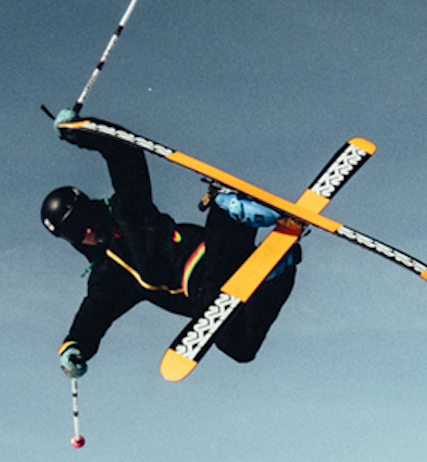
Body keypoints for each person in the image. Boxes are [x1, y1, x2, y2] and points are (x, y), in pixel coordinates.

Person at [41, 118, 300, 377]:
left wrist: (84, 131)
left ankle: (227, 209)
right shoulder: (106, 279)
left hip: (203, 259)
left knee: (218, 274)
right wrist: (76, 347)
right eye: (75, 232)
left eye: (84, 219)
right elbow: (93, 316)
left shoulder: (127, 212)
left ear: (91, 207)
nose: (87, 230)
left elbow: (124, 155)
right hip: (202, 298)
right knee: (241, 347)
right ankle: (277, 267)